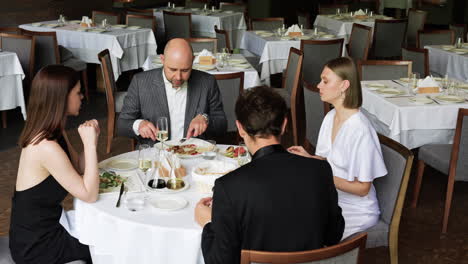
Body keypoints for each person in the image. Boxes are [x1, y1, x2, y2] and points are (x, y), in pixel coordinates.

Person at [194, 87, 344, 264]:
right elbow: (334, 235)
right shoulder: (320, 169)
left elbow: (220, 261)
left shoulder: (228, 187)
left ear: (240, 128)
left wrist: (208, 224)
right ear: (284, 124)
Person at [288, 57, 388, 239]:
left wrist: (321, 175)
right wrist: (309, 158)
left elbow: (363, 188)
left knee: (299, 228)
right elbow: (329, 162)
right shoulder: (331, 117)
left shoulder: (361, 129)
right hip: (332, 197)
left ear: (344, 85)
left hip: (355, 210)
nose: (318, 85)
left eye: (325, 81)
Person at [9, 65, 99, 264]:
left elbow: (79, 167)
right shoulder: (45, 145)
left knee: (101, 230)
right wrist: (90, 145)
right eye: (77, 92)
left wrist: (92, 139)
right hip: (37, 245)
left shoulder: (54, 131)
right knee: (104, 242)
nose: (82, 96)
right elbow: (89, 194)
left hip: (48, 226)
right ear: (62, 98)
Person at [117, 38, 227, 145]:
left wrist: (205, 119)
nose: (178, 77)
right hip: (155, 154)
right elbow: (122, 125)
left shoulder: (207, 82)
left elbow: (222, 124)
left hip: (193, 153)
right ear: (162, 60)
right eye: (173, 69)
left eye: (185, 70)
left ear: (192, 60)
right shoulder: (140, 82)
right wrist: (139, 125)